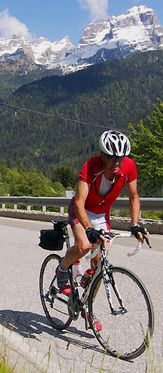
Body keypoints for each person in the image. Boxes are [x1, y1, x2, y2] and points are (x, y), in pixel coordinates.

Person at [56, 130, 149, 329]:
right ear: (102, 154)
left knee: (101, 265)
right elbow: (79, 203)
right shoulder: (91, 166)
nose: (117, 161)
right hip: (81, 210)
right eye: (112, 156)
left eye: (121, 157)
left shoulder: (129, 167)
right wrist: (88, 228)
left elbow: (134, 197)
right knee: (83, 246)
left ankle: (88, 308)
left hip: (101, 214)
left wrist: (135, 224)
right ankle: (63, 268)